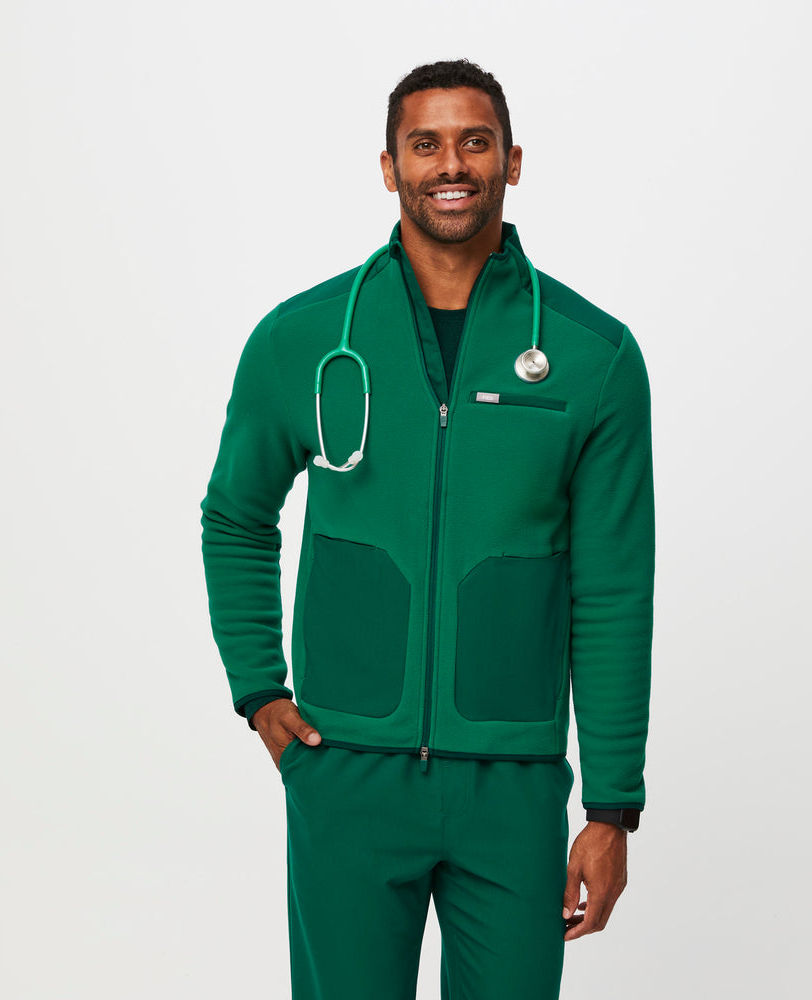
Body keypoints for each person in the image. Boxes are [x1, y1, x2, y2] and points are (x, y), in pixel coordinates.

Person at [200, 58, 655, 1000]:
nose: (452, 164)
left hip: (514, 788)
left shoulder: (593, 356)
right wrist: (260, 691)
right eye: (426, 144)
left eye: (475, 142)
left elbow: (613, 586)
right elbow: (236, 517)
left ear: (512, 162)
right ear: (390, 167)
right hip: (346, 773)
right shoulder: (302, 338)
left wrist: (611, 805)